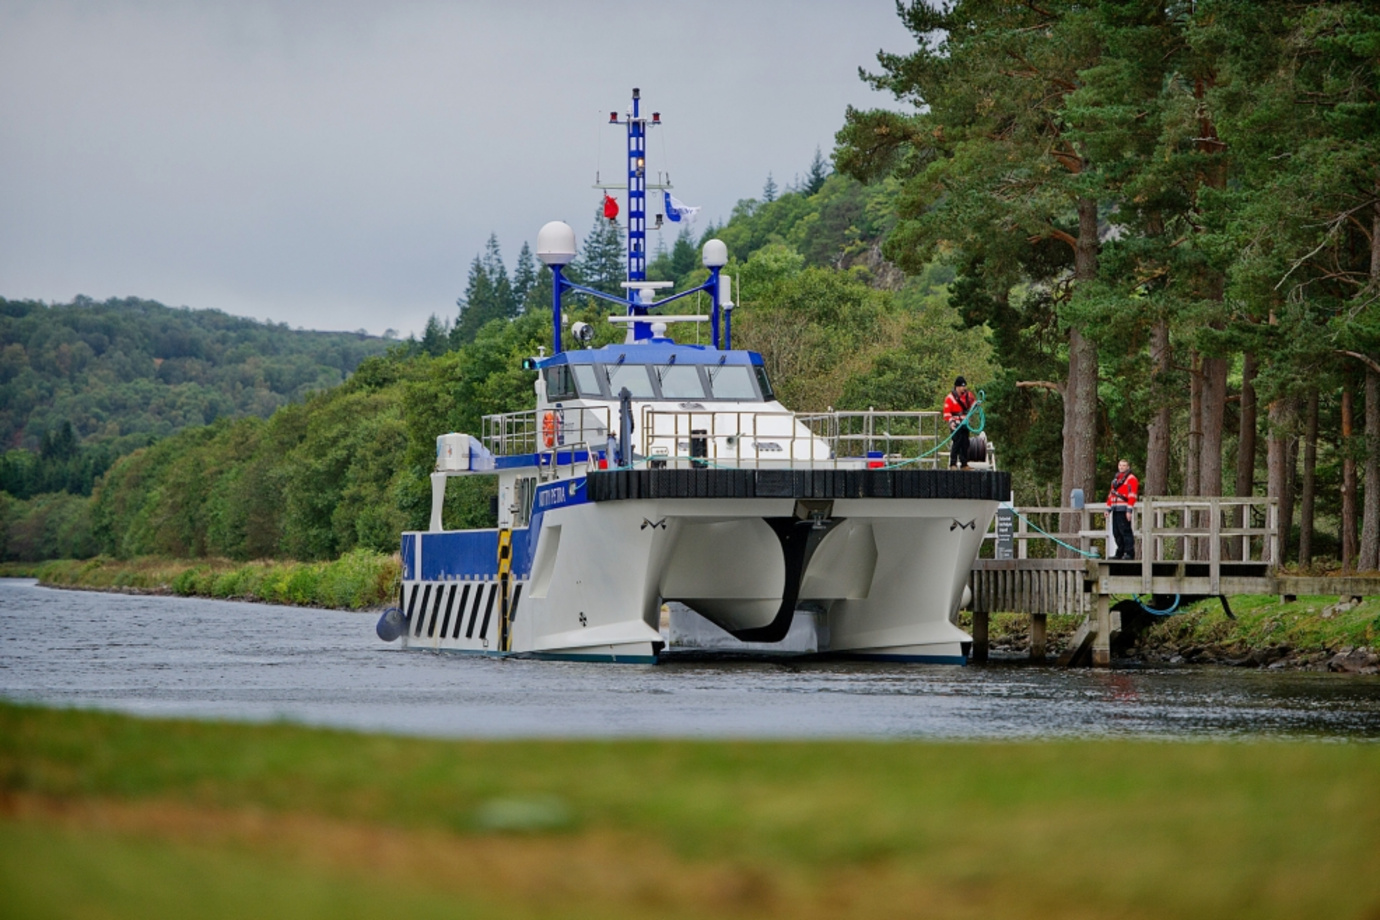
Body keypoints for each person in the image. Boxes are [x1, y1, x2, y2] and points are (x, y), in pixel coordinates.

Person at [1107, 458, 1139, 559]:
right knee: (1116, 532)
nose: (1121, 467)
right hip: (1116, 508)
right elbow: (1111, 495)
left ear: (1128, 467)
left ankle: (1129, 552)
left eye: (1124, 465)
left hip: (1124, 508)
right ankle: (1120, 552)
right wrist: (1108, 509)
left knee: (1125, 531)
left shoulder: (1131, 479)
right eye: (1120, 465)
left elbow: (1132, 495)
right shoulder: (1115, 480)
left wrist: (1129, 510)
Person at [943, 376, 976, 470]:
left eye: (964, 386)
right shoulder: (950, 398)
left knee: (965, 443)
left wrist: (976, 404)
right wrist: (951, 422)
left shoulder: (968, 395)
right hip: (955, 423)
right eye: (962, 386)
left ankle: (964, 464)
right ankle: (953, 463)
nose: (964, 388)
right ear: (957, 387)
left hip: (965, 423)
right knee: (957, 442)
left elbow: (973, 404)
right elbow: (947, 412)